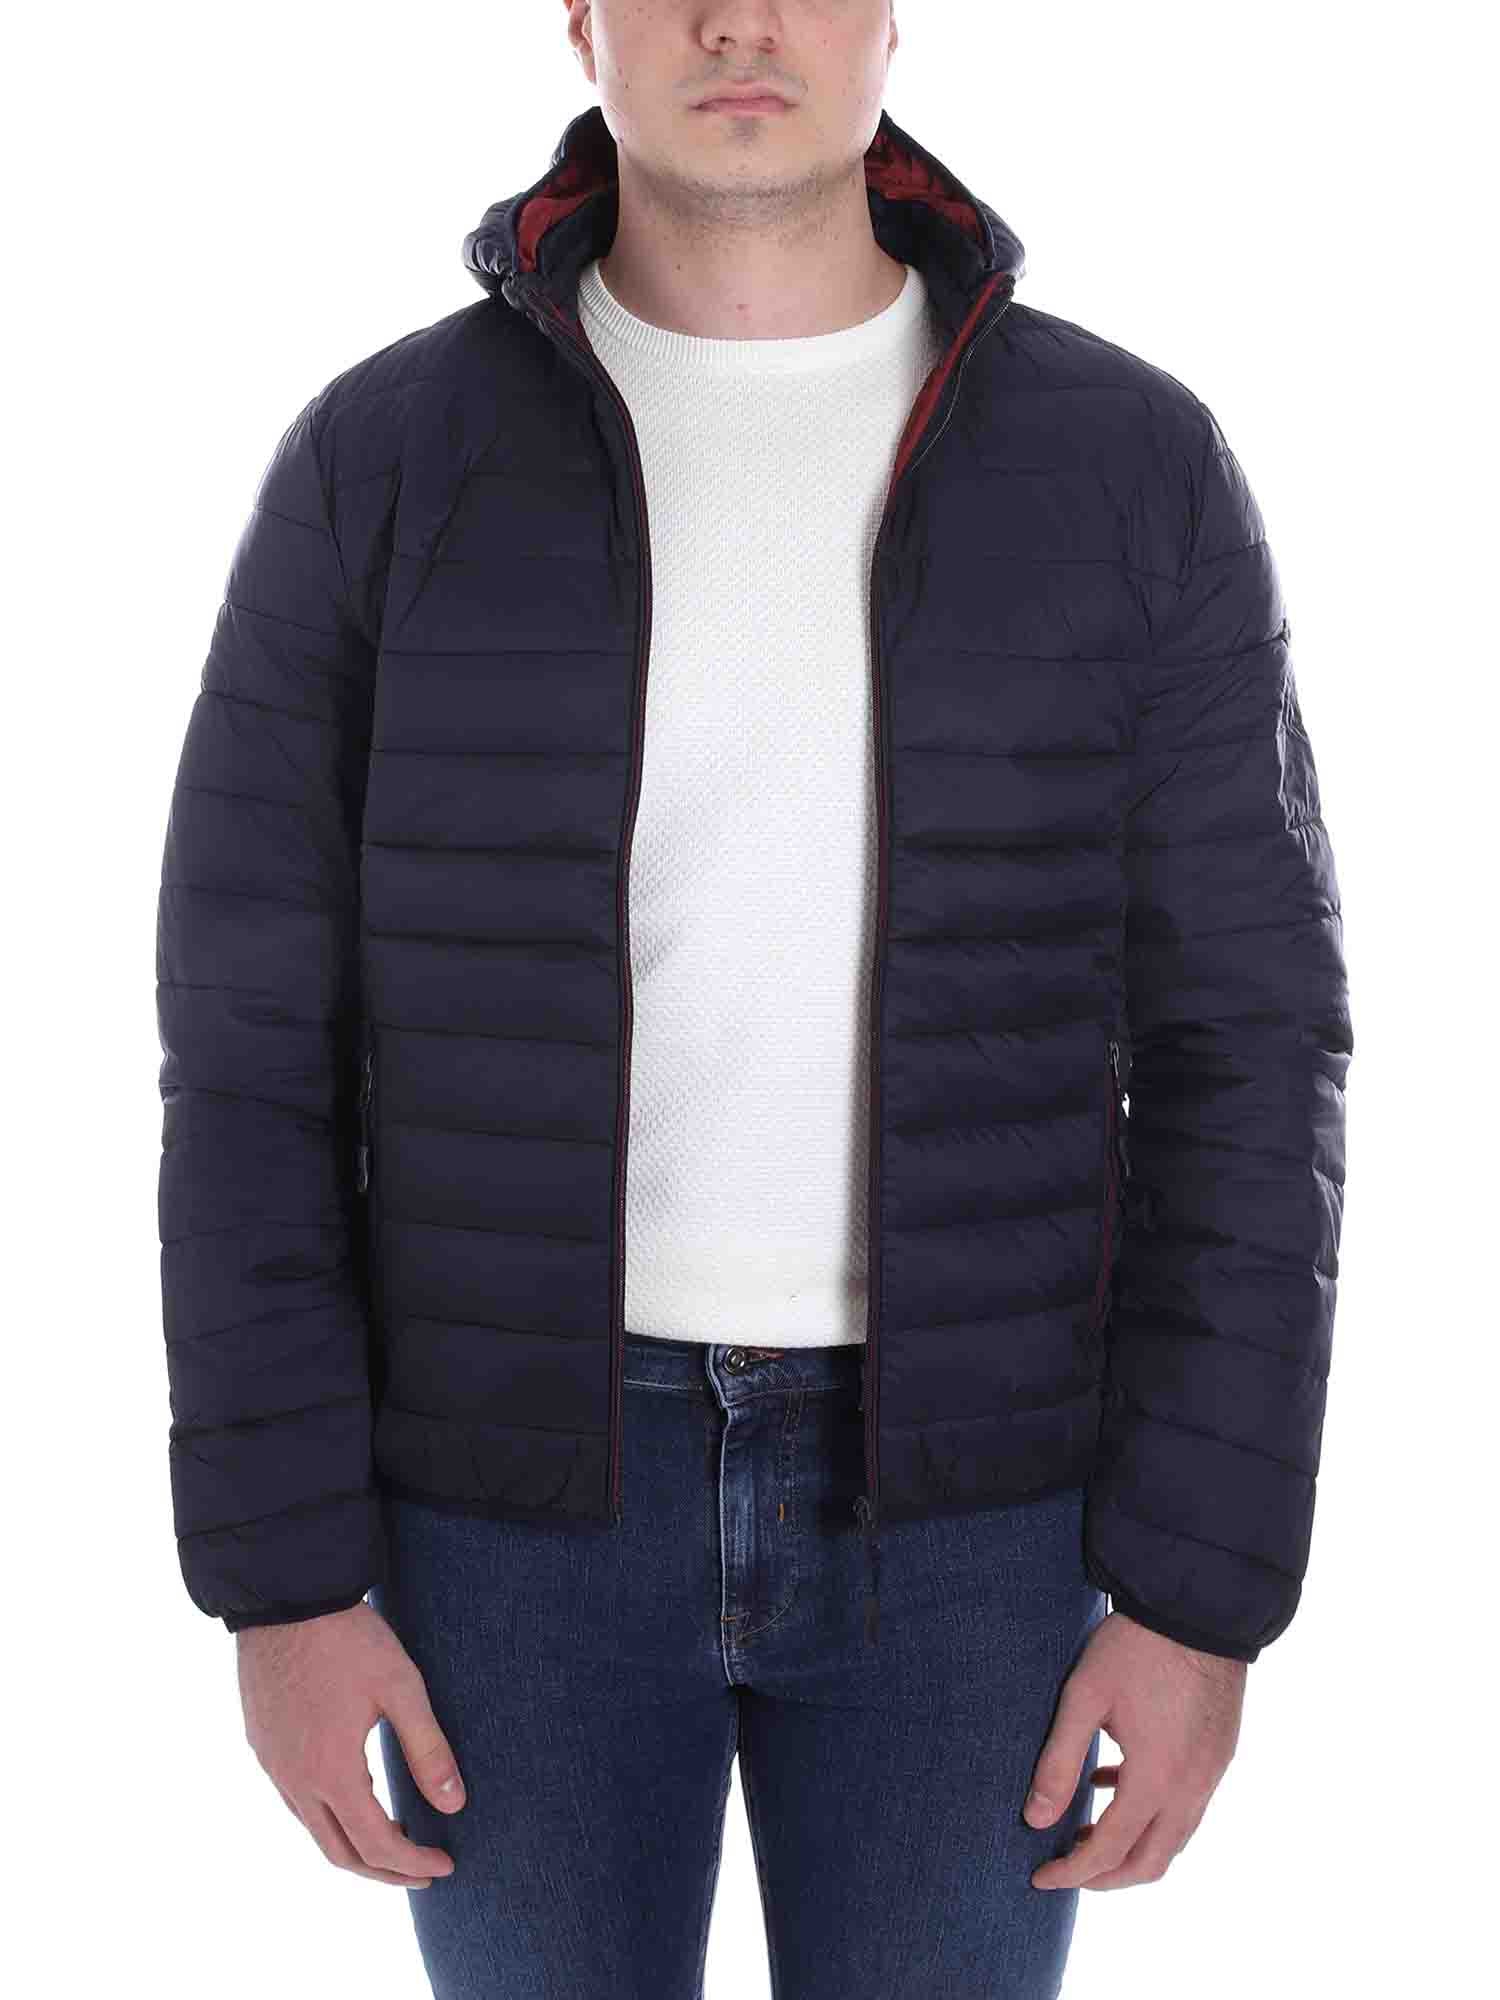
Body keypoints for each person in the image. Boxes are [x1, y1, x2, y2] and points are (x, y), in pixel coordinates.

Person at [153, 4, 1353, 1995]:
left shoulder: (1131, 468)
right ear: (579, 19)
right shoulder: (382, 464)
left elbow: (1251, 1044)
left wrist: (1194, 1599)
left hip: (978, 1509)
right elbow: (249, 1048)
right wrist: (284, 1583)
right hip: (508, 1509)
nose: (738, 19)